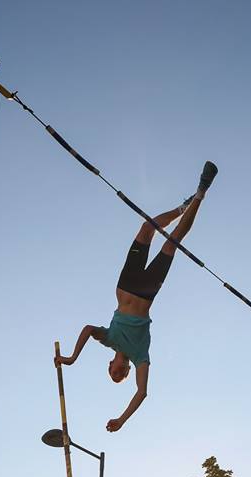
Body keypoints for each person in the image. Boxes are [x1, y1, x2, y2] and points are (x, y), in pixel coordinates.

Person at [55, 162, 218, 433]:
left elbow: (86, 329)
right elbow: (142, 393)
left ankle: (182, 208)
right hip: (145, 291)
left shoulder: (108, 339)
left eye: (112, 372)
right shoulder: (140, 356)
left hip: (126, 283)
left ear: (110, 364)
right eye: (120, 375)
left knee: (146, 229)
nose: (116, 371)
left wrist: (72, 358)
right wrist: (121, 419)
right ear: (127, 370)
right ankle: (201, 193)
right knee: (172, 242)